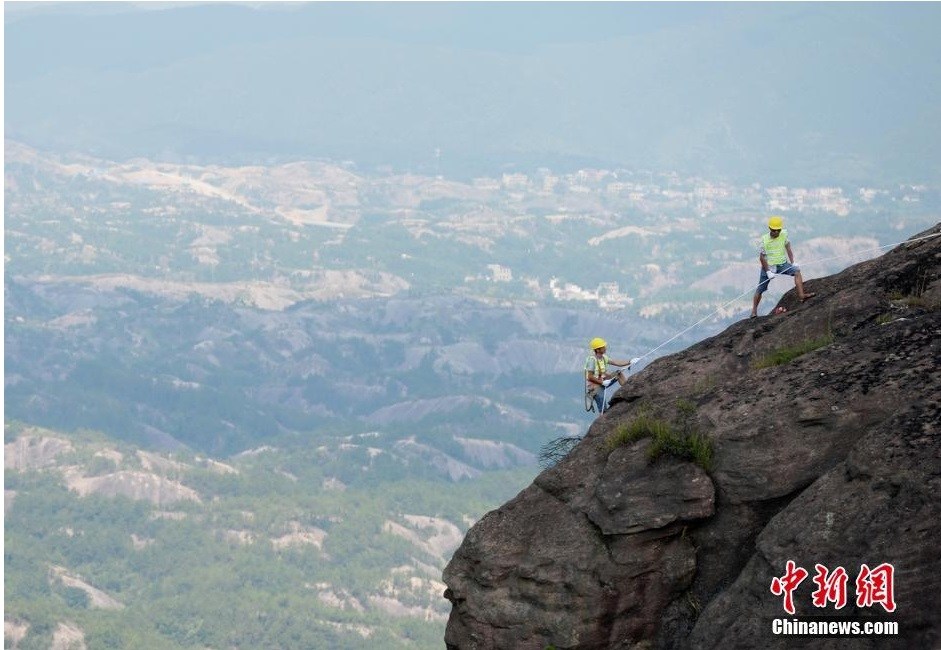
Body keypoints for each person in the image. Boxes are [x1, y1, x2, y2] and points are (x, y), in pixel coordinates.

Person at [750, 215, 816, 318]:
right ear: (770, 229)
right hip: (769, 267)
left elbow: (788, 248)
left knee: (797, 271)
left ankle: (801, 296)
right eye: (774, 230)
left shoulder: (784, 235)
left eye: (778, 230)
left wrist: (793, 262)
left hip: (782, 264)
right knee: (760, 289)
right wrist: (768, 271)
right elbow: (762, 258)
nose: (776, 232)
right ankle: (754, 312)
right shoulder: (765, 240)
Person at [585, 338, 633, 414]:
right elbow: (589, 377)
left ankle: (629, 391)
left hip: (604, 381)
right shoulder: (592, 361)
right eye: (603, 347)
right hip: (595, 388)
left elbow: (617, 362)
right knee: (603, 411)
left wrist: (630, 361)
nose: (605, 348)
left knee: (618, 373)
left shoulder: (604, 358)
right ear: (597, 350)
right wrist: (602, 383)